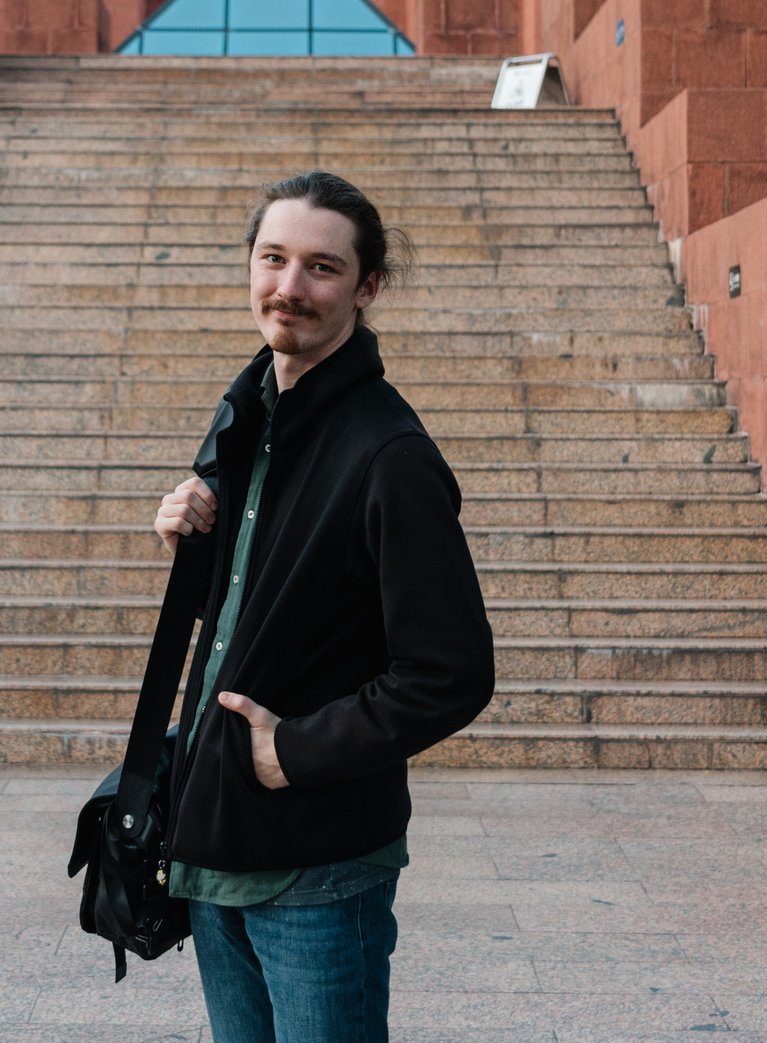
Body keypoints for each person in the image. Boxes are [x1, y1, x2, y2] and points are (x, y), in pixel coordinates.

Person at [151, 170, 495, 1043]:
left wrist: (294, 752)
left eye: (322, 268)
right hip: (215, 834)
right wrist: (192, 534)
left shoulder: (391, 455)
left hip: (315, 858)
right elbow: (257, 615)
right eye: (274, 258)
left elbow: (451, 673)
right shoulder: (247, 419)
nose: (290, 288)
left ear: (367, 288)